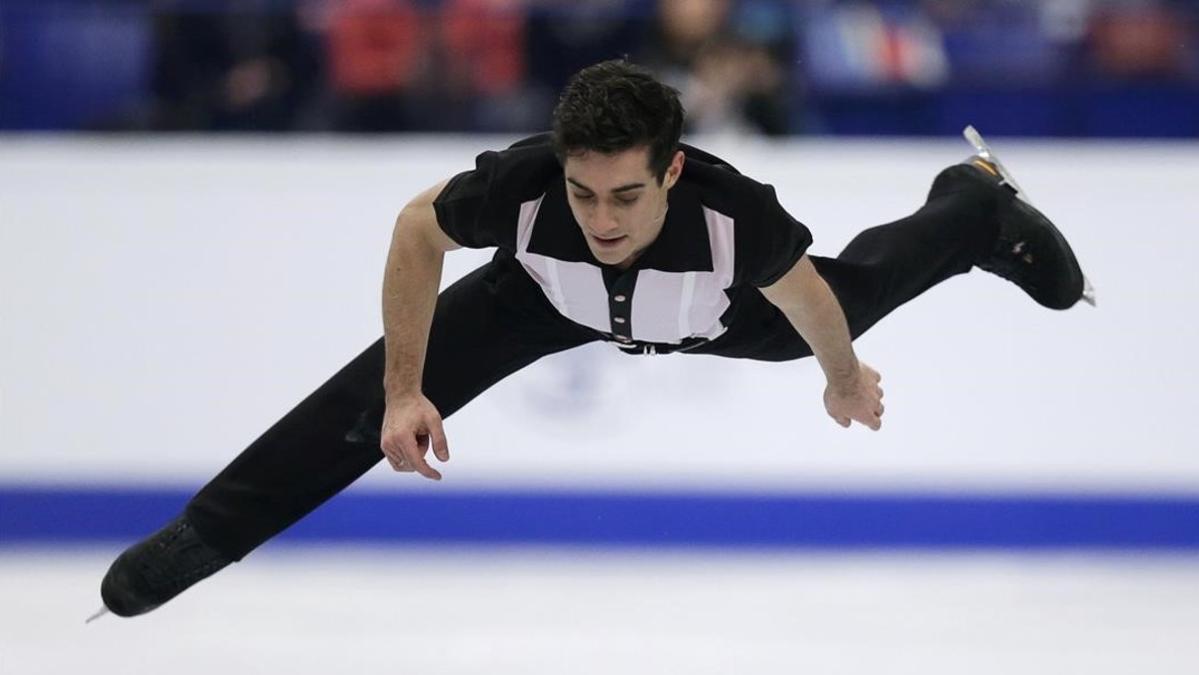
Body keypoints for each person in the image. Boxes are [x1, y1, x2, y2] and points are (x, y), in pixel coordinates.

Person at [95, 60, 1093, 619]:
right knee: (367, 400)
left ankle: (970, 213)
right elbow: (415, 230)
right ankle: (208, 532)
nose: (601, 216)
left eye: (624, 194)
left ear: (671, 170)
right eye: (583, 191)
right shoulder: (527, 185)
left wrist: (839, 378)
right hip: (534, 300)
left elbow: (815, 299)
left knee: (852, 293)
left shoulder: (731, 214)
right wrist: (407, 390)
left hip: (714, 307)